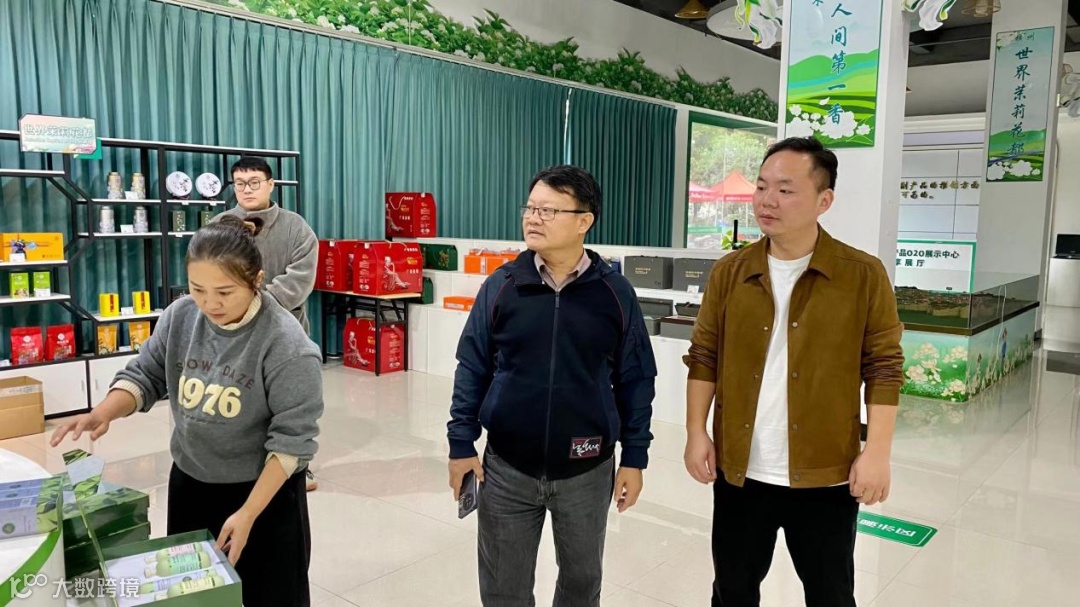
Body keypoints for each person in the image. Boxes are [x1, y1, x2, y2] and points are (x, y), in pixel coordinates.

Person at [51, 215, 323, 607]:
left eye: (225, 292)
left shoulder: (286, 344)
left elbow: (292, 443)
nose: (210, 303)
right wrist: (104, 412)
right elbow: (146, 373)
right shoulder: (181, 316)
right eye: (198, 289)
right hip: (192, 482)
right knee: (193, 596)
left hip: (263, 496)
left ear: (257, 280)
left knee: (270, 594)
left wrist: (248, 513)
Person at [682, 137, 905, 607]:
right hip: (741, 469)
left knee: (830, 594)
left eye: (785, 190)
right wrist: (695, 431)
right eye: (762, 186)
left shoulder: (862, 274)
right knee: (732, 592)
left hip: (826, 473)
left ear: (824, 201)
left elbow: (884, 367)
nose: (767, 200)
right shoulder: (730, 272)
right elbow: (704, 355)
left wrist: (877, 452)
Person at [447, 165, 657, 606]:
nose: (533, 218)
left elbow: (636, 379)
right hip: (507, 467)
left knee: (581, 585)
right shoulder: (502, 286)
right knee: (503, 589)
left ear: (584, 221)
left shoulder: (615, 293)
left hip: (587, 469)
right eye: (530, 208)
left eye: (548, 210)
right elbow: (472, 367)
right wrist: (461, 443)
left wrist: (635, 457)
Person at [216, 155, 320, 491]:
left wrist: (254, 306)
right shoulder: (219, 226)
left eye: (254, 182)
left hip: (286, 335)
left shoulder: (295, 227)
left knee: (288, 408)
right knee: (238, 406)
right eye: (240, 183)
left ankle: (296, 469)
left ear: (271, 185)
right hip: (232, 336)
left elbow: (300, 279)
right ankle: (242, 469)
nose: (246, 189)